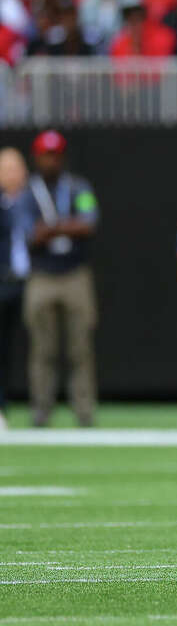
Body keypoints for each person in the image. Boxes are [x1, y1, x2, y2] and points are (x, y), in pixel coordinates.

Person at [20, 131, 99, 428]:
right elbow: (30, 234)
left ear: (63, 157)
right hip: (41, 277)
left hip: (75, 276)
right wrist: (68, 227)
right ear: (37, 157)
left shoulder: (78, 187)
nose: (51, 159)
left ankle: (84, 411)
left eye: (55, 154)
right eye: (45, 154)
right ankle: (41, 410)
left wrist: (51, 228)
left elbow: (90, 223)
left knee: (80, 347)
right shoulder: (28, 192)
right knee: (43, 349)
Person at [0, 147, 28, 429]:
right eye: (4, 169)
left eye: (14, 168)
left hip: (35, 278)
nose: (10, 175)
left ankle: (41, 409)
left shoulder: (34, 199)